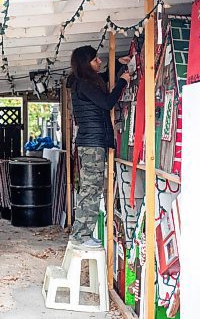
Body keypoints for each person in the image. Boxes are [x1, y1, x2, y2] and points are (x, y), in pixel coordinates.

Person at [68, 45, 131, 248]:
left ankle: (82, 233)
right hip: (93, 144)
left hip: (91, 142)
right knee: (91, 189)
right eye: (96, 60)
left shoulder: (83, 83)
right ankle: (81, 235)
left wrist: (118, 65)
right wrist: (123, 82)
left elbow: (102, 79)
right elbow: (106, 102)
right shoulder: (85, 85)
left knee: (90, 189)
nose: (99, 61)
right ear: (87, 63)